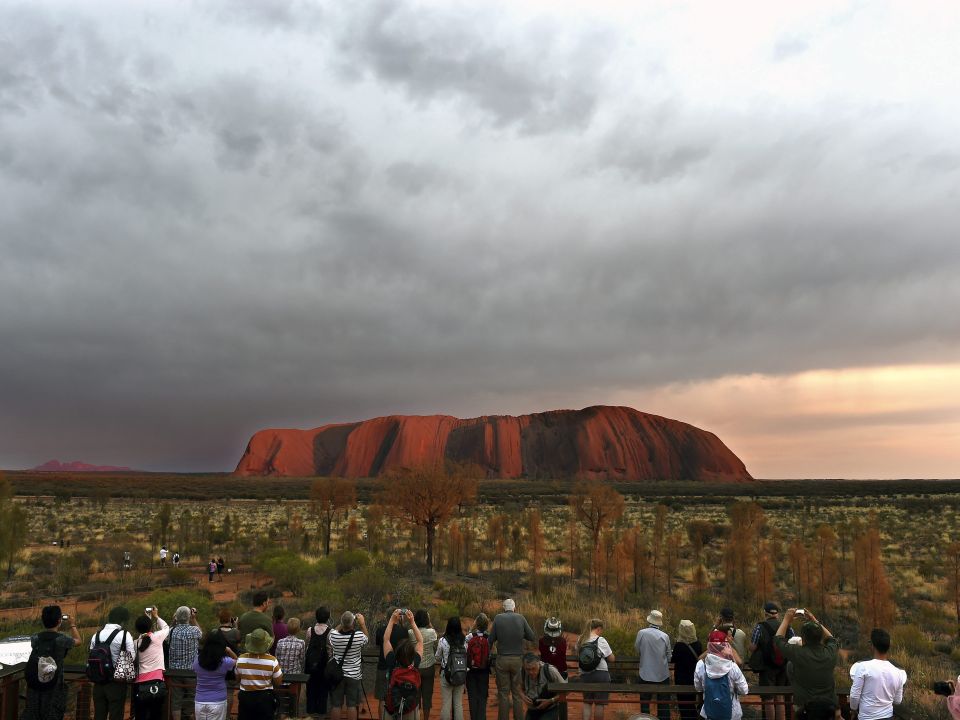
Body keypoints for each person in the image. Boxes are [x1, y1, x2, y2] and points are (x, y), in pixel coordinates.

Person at [773, 609, 839, 720]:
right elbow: (831, 639)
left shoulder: (798, 653)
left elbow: (778, 640)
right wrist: (814, 620)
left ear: (803, 639)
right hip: (829, 706)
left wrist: (786, 620)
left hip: (805, 708)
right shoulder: (830, 652)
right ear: (820, 638)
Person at [22, 605, 81, 720]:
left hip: (35, 684)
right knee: (52, 713)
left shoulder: (35, 638)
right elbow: (78, 641)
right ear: (59, 621)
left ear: (43, 620)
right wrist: (72, 624)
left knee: (34, 713)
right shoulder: (62, 639)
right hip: (54, 685)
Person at [489, 599, 537, 720]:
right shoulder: (521, 618)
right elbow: (531, 636)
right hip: (518, 661)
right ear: (514, 608)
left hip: (502, 660)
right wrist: (520, 633)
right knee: (517, 693)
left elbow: (490, 640)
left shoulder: (498, 618)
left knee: (503, 694)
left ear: (504, 608)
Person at [90, 606, 137, 720]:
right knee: (116, 714)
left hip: (98, 682)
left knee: (99, 715)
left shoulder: (96, 635)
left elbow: (91, 655)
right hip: (117, 682)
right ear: (122, 620)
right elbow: (131, 657)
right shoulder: (124, 635)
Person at [750, 602, 794, 720]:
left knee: (768, 698)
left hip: (766, 667)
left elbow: (752, 647)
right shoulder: (788, 626)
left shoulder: (759, 627)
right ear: (777, 614)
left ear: (765, 613)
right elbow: (793, 643)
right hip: (784, 666)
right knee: (780, 697)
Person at [849, 629, 906, 720]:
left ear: (872, 645)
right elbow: (898, 701)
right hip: (888, 716)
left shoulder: (863, 667)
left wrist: (853, 709)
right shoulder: (898, 672)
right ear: (888, 647)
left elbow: (854, 695)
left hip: (867, 717)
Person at [694, 631, 749, 720]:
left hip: (710, 712)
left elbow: (698, 688)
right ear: (725, 644)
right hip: (732, 713)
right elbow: (744, 690)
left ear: (709, 645)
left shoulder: (701, 665)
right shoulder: (732, 666)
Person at [384, 609, 425, 720]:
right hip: (411, 709)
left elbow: (386, 640)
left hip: (392, 710)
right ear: (412, 653)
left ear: (396, 652)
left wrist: (392, 621)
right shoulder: (414, 663)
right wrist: (412, 622)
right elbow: (420, 641)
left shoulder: (392, 661)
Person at [328, 611, 370, 720]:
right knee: (351, 705)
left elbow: (332, 632)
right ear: (353, 624)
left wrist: (344, 622)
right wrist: (362, 624)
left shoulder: (334, 636)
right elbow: (367, 638)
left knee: (336, 705)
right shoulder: (358, 636)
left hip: (337, 675)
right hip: (353, 675)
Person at [236, 627, 283, 720]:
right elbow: (278, 682)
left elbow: (238, 679)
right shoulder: (272, 661)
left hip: (246, 700)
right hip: (264, 700)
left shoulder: (240, 659)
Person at [134, 608, 171, 720]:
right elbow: (166, 628)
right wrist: (156, 616)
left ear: (137, 629)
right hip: (157, 683)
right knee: (156, 714)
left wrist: (148, 620)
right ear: (150, 626)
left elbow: (144, 636)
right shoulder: (157, 637)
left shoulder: (136, 643)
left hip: (140, 685)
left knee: (141, 715)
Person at [192, 630, 238, 720]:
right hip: (218, 701)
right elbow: (239, 662)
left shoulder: (198, 660)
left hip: (199, 701)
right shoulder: (225, 661)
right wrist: (229, 651)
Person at [634, 610, 671, 720]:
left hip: (645, 673)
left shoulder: (641, 633)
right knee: (663, 704)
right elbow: (669, 656)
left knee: (645, 703)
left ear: (650, 620)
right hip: (662, 675)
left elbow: (637, 648)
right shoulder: (665, 636)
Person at [377, 608, 412, 719]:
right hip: (399, 669)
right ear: (398, 617)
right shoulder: (404, 631)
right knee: (399, 696)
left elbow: (379, 643)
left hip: (383, 666)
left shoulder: (380, 630)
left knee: (382, 699)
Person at [576, 619, 614, 720]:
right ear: (598, 629)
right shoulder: (600, 640)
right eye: (601, 630)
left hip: (585, 674)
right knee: (599, 704)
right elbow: (612, 658)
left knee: (587, 703)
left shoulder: (580, 639)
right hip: (601, 674)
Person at [169, 606, 203, 720]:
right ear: (189, 616)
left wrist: (174, 621)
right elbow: (201, 634)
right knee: (194, 697)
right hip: (191, 671)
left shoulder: (171, 631)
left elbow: (166, 638)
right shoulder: (195, 631)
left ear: (176, 617)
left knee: (176, 700)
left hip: (175, 672)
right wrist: (194, 619)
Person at [438, 616, 468, 720]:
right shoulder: (464, 640)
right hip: (460, 674)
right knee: (458, 704)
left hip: (446, 674)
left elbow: (437, 657)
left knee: (446, 704)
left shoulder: (443, 640)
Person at [672, 620, 703, 720]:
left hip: (681, 678)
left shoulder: (679, 646)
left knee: (683, 704)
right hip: (694, 678)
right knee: (692, 701)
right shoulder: (698, 644)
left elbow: (673, 659)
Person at [305, 607, 332, 718]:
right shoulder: (330, 632)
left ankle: (310, 713)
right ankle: (321, 713)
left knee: (310, 689)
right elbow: (330, 649)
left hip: (310, 665)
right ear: (328, 618)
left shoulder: (309, 630)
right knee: (322, 690)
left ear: (316, 616)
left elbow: (307, 645)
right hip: (324, 666)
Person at [276, 617, 306, 718]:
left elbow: (276, 659)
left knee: (282, 704)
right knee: (293, 704)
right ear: (298, 629)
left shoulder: (280, 642)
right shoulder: (301, 643)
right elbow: (302, 660)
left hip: (281, 678)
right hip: (295, 679)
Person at [521, 653, 566, 720]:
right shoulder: (522, 671)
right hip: (533, 709)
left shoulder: (550, 671)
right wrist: (523, 696)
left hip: (550, 708)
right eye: (528, 669)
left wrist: (550, 701)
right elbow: (518, 686)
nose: (530, 672)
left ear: (539, 664)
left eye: (533, 668)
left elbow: (565, 690)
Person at [465, 614, 492, 720]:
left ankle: (474, 717)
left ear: (476, 623)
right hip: (484, 670)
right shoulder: (489, 637)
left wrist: (472, 628)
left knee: (472, 696)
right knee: (482, 696)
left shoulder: (470, 636)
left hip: (471, 670)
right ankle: (482, 717)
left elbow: (466, 649)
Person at [415, 609, 439, 720]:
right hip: (429, 667)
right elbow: (436, 637)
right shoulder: (431, 632)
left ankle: (415, 717)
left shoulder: (411, 633)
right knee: (427, 696)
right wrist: (430, 623)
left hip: (416, 668)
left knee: (415, 695)